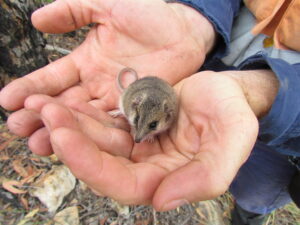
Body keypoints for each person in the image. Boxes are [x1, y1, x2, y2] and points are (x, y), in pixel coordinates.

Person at [0, 0, 299, 224]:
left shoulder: (170, 112)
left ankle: (249, 215)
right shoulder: (136, 105)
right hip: (209, 57)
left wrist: (268, 91)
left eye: (150, 128)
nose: (138, 136)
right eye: (136, 124)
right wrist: (196, 13)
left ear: (168, 115)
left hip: (282, 152)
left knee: (255, 195)